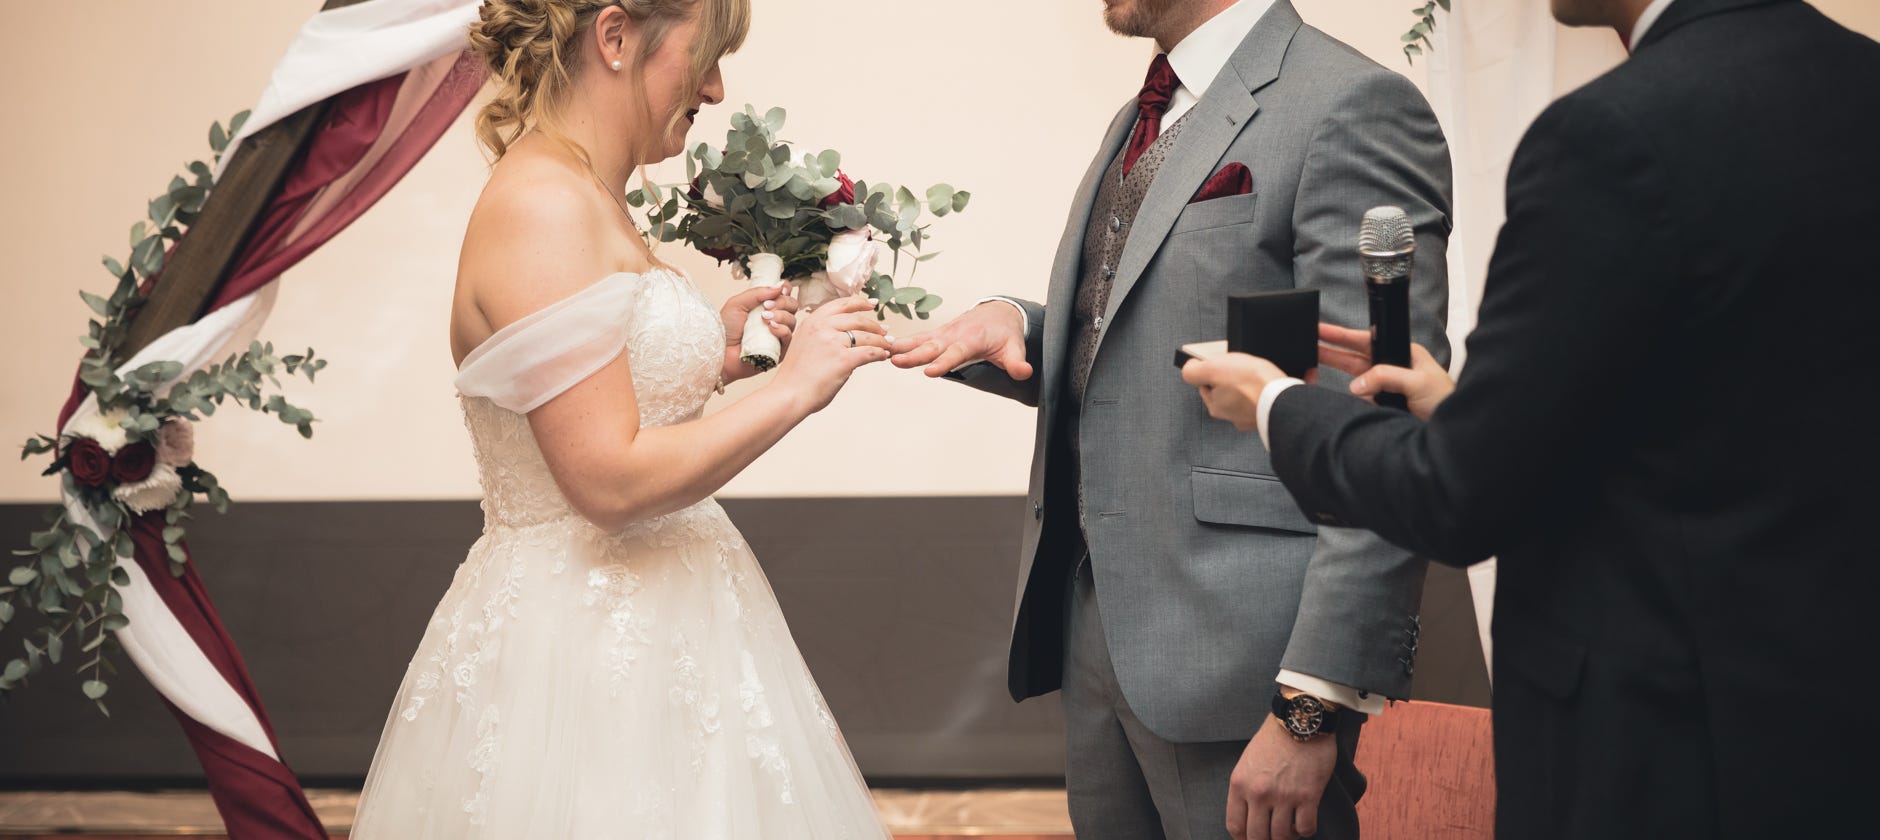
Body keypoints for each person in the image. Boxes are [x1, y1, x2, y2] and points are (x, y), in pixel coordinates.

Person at [1179, 0, 1880, 836]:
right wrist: (1467, 409)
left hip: (1669, 757)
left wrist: (1275, 404)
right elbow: (1730, 411)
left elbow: (1455, 499)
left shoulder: (1613, 136)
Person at [889, 0, 1451, 837]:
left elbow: (1380, 433)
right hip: (1099, 632)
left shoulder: (1351, 104)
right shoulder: (1143, 112)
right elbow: (1145, 345)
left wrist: (1312, 705)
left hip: (1249, 665)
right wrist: (1021, 327)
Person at [349, 1, 894, 835]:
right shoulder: (545, 204)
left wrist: (711, 355)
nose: (715, 88)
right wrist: (793, 389)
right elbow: (605, 482)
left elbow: (595, 390)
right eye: (706, 55)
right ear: (613, 36)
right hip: (582, 661)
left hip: (674, 630)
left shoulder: (587, 193)